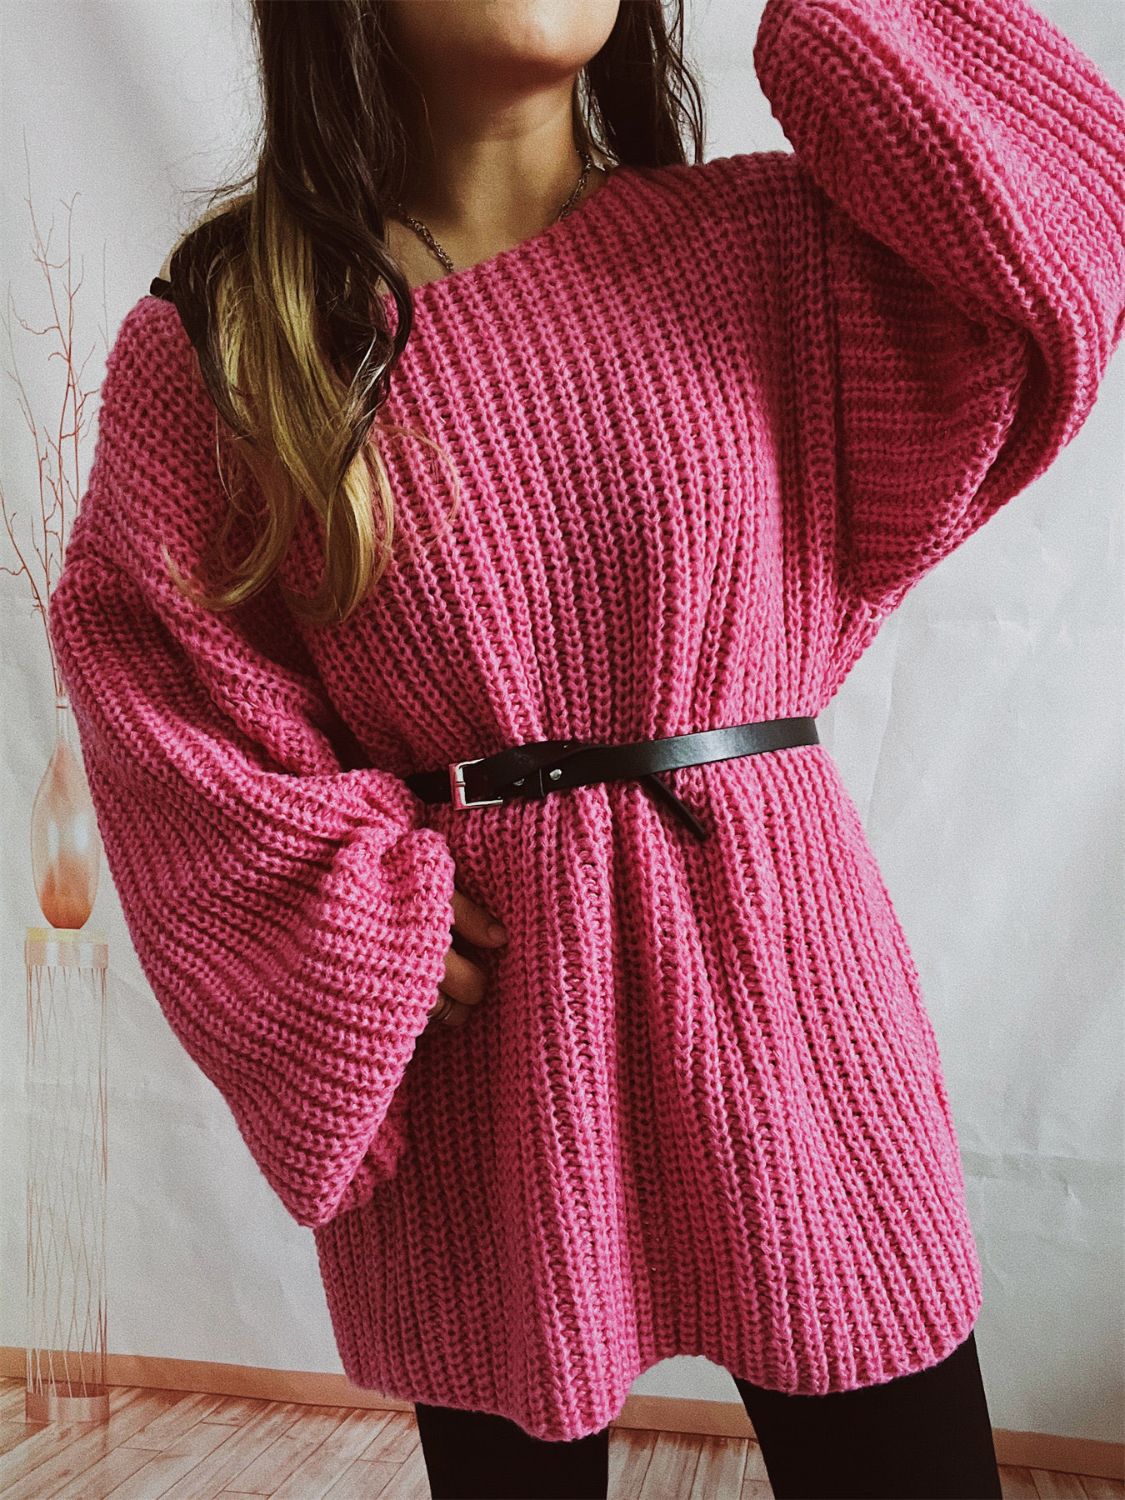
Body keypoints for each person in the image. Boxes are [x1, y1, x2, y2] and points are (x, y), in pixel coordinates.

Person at [48, 0, 1124, 1497]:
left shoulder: (778, 245)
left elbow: (1063, 220)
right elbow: (160, 685)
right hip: (492, 1043)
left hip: (786, 980)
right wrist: (349, 914)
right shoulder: (239, 336)